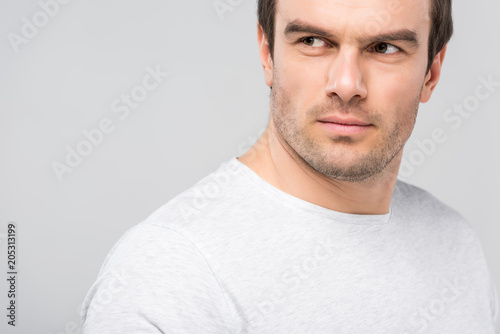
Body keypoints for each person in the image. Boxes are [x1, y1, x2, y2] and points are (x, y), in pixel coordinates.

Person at [81, 0, 499, 333]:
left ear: (432, 72)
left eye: (384, 47)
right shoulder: (169, 272)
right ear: (267, 53)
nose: (347, 85)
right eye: (314, 41)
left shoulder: (454, 242)